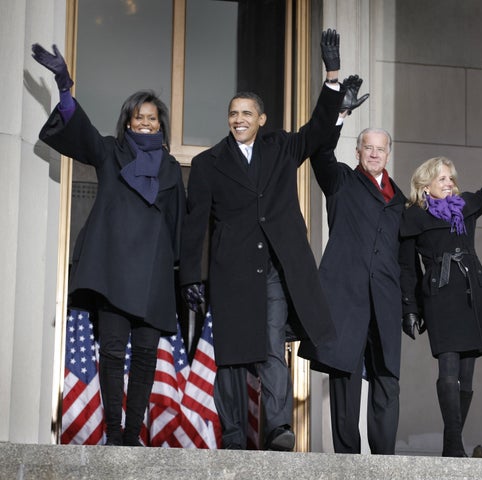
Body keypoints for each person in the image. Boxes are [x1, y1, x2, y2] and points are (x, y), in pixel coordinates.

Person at [179, 29, 347, 451]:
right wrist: (191, 278)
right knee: (233, 355)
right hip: (230, 271)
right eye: (234, 113)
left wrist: (332, 76)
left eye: (247, 113)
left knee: (272, 345)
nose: (239, 119)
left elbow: (318, 131)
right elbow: (195, 223)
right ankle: (233, 432)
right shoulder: (207, 163)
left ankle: (276, 428)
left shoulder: (281, 148)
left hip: (272, 268)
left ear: (262, 119)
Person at [32, 44, 186, 446]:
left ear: (160, 124)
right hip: (114, 270)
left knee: (147, 357)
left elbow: (177, 225)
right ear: (129, 122)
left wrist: (184, 278)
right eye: (140, 117)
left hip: (153, 274)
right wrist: (65, 87)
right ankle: (115, 435)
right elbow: (78, 131)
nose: (147, 123)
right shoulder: (109, 152)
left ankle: (133, 435)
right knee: (114, 352)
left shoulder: (171, 168)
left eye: (153, 118)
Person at [398, 111, 482, 457]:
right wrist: (409, 309)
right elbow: (408, 268)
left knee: (467, 378)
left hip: (472, 294)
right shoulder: (413, 216)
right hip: (439, 296)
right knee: (448, 368)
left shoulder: (465, 206)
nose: (449, 184)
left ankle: (450, 441)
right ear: (425, 184)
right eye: (442, 179)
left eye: (451, 179)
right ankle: (454, 443)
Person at [299, 76, 406, 454]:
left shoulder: (400, 202)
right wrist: (338, 112)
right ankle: (347, 461)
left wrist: (409, 306)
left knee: (386, 379)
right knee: (345, 376)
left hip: (386, 302)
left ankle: (383, 460)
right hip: (347, 298)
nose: (374, 154)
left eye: (380, 149)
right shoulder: (342, 181)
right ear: (358, 151)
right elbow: (321, 154)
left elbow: (405, 258)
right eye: (368, 148)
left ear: (388, 154)